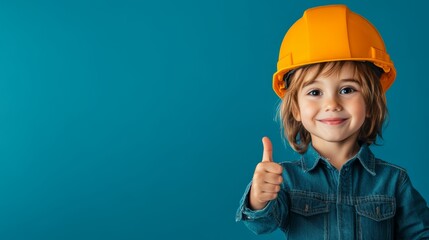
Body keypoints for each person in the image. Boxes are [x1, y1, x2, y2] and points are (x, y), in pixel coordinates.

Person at [235, 4, 429, 239]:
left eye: (347, 89)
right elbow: (261, 224)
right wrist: (259, 197)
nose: (332, 104)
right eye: (315, 92)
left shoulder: (394, 181)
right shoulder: (285, 179)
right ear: (295, 108)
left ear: (370, 102)